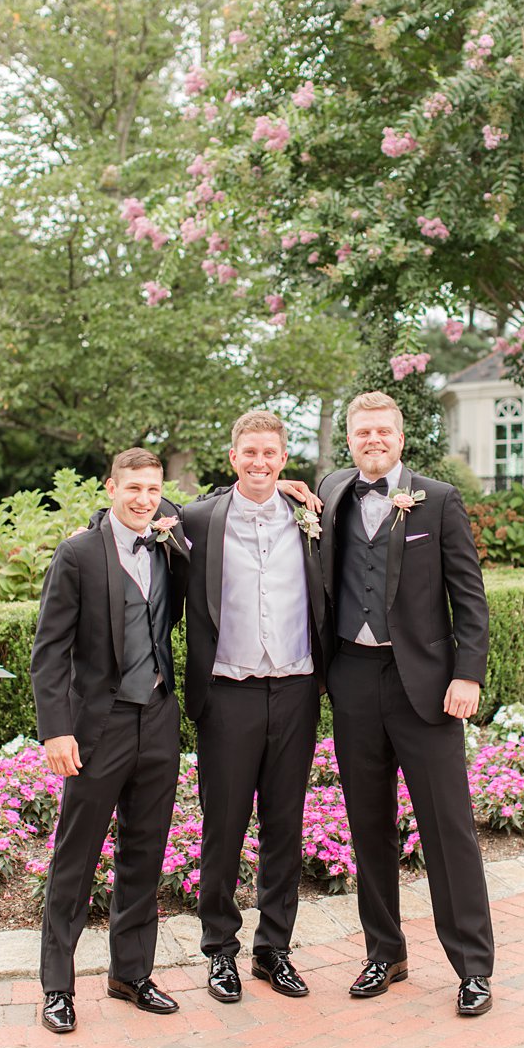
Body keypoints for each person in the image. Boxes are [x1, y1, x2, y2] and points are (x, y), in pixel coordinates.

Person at [318, 390, 494, 1017]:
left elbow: (469, 598)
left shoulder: (439, 500)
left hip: (427, 687)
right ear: (350, 438)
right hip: (354, 678)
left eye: (383, 431)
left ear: (400, 435)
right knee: (368, 825)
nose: (374, 440)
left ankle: (473, 967)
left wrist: (467, 674)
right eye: (363, 431)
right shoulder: (332, 492)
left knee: (448, 829)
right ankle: (384, 953)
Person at [31, 448, 189, 1034]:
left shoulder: (170, 548)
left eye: (153, 489)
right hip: (98, 727)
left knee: (144, 853)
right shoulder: (77, 553)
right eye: (133, 489)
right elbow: (48, 651)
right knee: (76, 857)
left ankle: (131, 974)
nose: (144, 499)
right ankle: (57, 987)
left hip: (158, 719)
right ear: (110, 488)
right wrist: (57, 730)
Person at [180, 411, 329, 1004]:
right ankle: (220, 951)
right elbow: (120, 516)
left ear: (284, 457)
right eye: (249, 452)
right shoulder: (197, 518)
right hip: (229, 693)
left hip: (296, 690)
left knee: (285, 827)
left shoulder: (313, 516)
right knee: (223, 827)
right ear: (233, 455)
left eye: (270, 453)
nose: (260, 462)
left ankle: (275, 950)